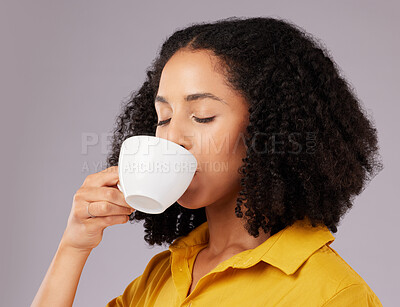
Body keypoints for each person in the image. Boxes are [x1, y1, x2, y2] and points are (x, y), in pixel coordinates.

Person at [32, 16, 384, 306]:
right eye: (163, 117)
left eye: (201, 116)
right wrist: (74, 246)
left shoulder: (332, 294)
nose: (172, 138)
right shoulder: (163, 276)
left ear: (268, 129)